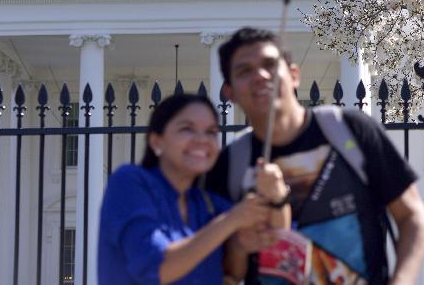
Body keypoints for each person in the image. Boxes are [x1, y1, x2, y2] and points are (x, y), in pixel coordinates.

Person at [206, 27, 424, 285]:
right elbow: (226, 271)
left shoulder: (351, 129)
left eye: (270, 64)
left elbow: (412, 216)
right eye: (244, 71)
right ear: (229, 92)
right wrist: (238, 245)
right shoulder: (229, 164)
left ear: (293, 75)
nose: (260, 75)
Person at [98, 92, 291, 285]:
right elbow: (156, 267)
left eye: (211, 132)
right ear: (156, 141)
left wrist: (277, 196)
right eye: (187, 129)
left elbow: (273, 239)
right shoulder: (130, 182)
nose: (202, 139)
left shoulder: (205, 203)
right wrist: (232, 220)